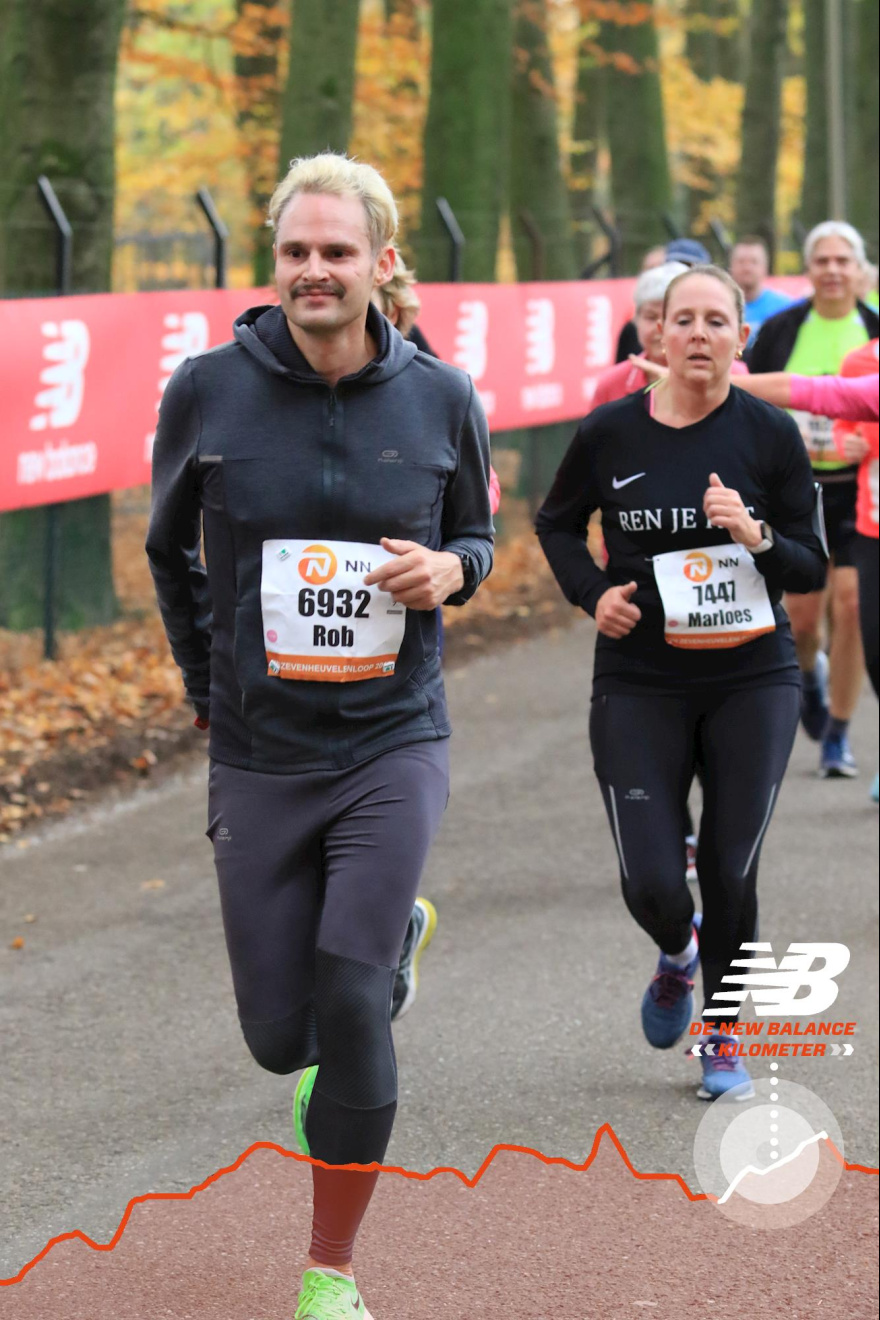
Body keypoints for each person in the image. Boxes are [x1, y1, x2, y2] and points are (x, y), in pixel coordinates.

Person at [146, 152, 493, 1320]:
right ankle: (393, 942)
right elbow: (165, 550)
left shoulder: (441, 397)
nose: (313, 270)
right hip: (260, 749)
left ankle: (329, 1270)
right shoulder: (206, 388)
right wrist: (210, 686)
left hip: (395, 739)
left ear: (382, 263)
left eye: (337, 251)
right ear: (275, 259)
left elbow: (479, 540)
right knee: (276, 1039)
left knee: (345, 1013)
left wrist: (451, 569)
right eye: (295, 250)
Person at [537, 265, 826, 1101]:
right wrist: (594, 596)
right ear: (654, 337)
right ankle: (678, 954)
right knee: (654, 884)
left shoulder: (770, 434)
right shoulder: (609, 434)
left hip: (752, 678)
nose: (699, 335)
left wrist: (757, 533)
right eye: (682, 320)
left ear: (741, 336)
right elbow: (556, 525)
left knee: (732, 868)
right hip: (640, 680)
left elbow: (809, 567)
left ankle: (724, 1032)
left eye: (716, 321)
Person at [748, 221, 879, 777]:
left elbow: (854, 399)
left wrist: (863, 442)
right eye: (820, 260)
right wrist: (783, 439)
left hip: (859, 492)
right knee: (802, 619)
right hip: (797, 488)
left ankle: (839, 736)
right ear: (808, 270)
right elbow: (748, 402)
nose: (831, 270)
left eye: (841, 260)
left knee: (852, 605)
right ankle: (810, 676)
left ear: (858, 271)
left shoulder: (873, 329)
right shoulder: (780, 331)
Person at [728, 235, 795, 346]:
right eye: (741, 262)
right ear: (731, 266)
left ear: (765, 267)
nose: (747, 268)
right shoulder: (719, 307)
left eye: (754, 262)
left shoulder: (785, 308)